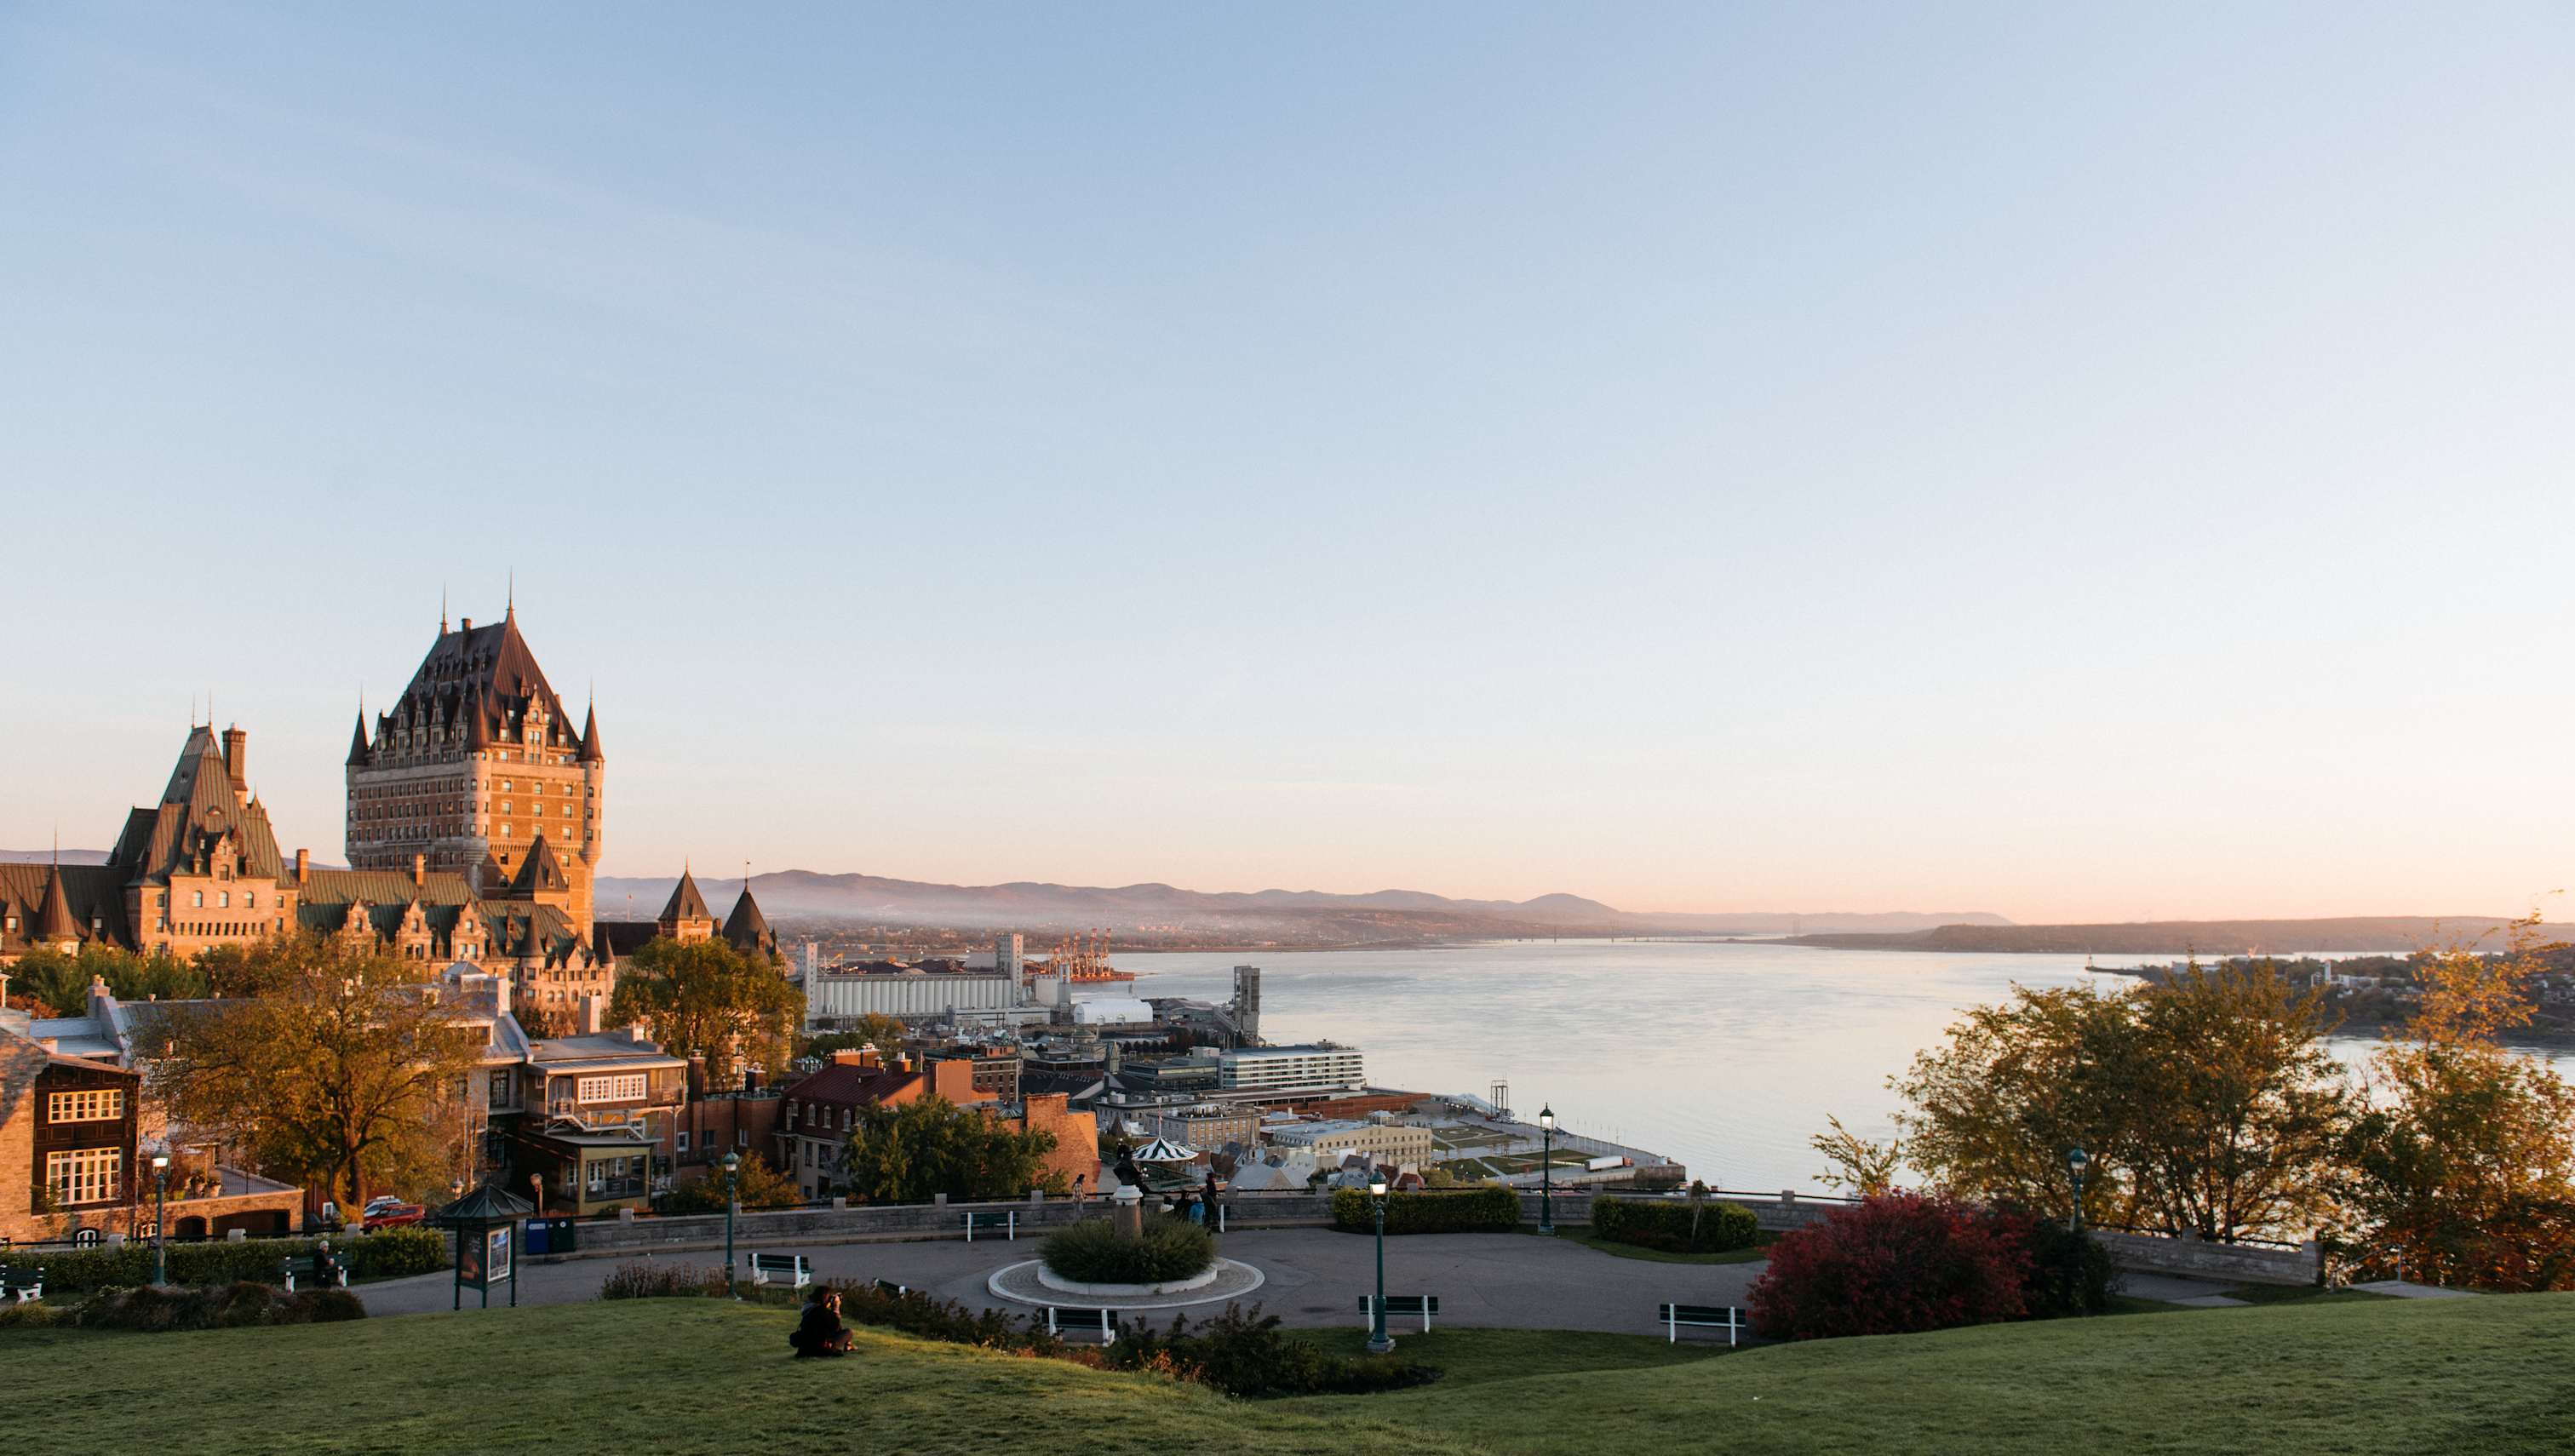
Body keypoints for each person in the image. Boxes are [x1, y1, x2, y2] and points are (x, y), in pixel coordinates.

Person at [788, 1288, 853, 1358]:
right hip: (821, 1350)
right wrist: (836, 1307)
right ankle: (846, 1346)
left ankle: (849, 1346)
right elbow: (835, 1327)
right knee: (848, 1332)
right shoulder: (822, 1312)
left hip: (804, 1350)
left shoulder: (809, 1310)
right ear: (827, 1299)